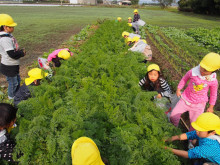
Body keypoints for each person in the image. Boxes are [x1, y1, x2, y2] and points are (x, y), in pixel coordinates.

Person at [170, 53, 220, 131]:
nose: (202, 71)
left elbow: (213, 94)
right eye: (201, 67)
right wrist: (179, 89)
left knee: (195, 124)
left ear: (213, 71)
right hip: (185, 99)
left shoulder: (213, 81)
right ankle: (173, 129)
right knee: (173, 115)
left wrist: (211, 107)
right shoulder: (193, 72)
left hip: (199, 104)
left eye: (206, 70)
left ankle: (191, 141)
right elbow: (184, 79)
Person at [0, 14, 26, 99]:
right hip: (9, 65)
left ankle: (17, 94)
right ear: (5, 27)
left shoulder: (8, 36)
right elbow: (12, 54)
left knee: (17, 81)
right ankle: (11, 98)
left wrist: (19, 51)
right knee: (13, 83)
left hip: (12, 64)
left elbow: (13, 50)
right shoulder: (5, 39)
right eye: (11, 26)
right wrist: (22, 53)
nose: (13, 28)